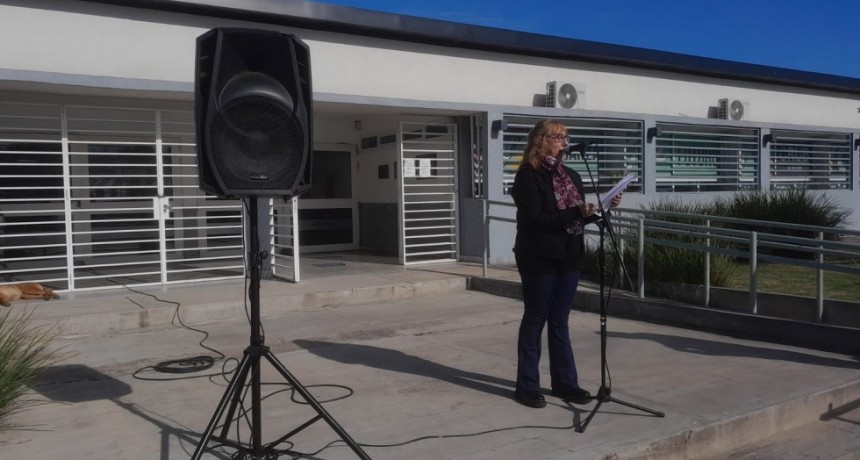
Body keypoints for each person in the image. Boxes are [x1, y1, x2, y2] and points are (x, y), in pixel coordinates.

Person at [510, 119, 622, 408]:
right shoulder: (528, 176)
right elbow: (535, 219)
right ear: (541, 140)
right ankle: (527, 386)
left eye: (566, 136)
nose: (564, 140)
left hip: (569, 255)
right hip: (538, 257)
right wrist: (576, 211)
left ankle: (565, 384)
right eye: (557, 136)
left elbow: (581, 217)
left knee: (560, 321)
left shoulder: (571, 174)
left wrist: (605, 206)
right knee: (535, 320)